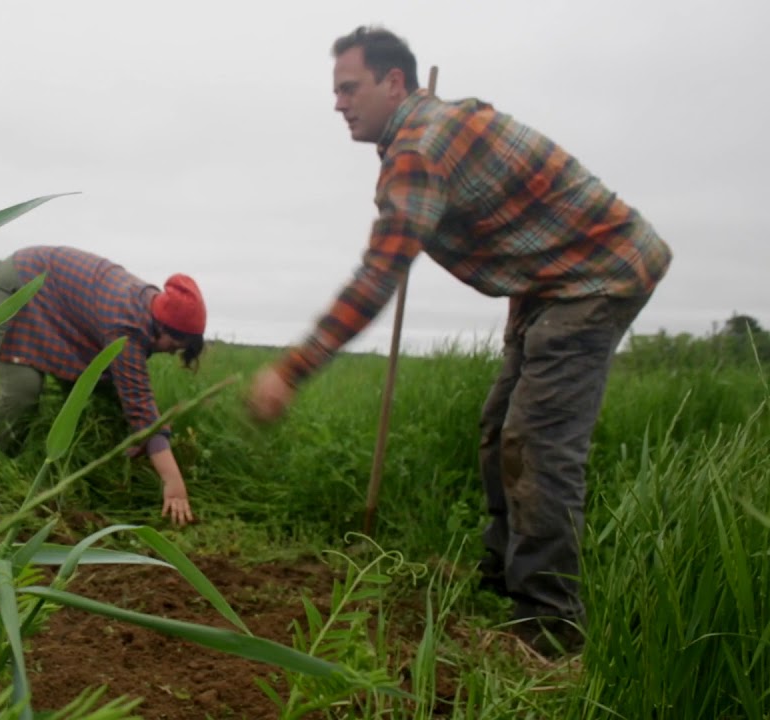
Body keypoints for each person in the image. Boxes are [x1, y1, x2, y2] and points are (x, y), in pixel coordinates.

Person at [246, 26, 672, 657]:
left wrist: (293, 369)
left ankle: (549, 635)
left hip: (598, 277)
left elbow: (379, 273)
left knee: (538, 446)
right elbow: (523, 225)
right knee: (499, 426)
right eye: (335, 90)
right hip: (554, 284)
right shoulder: (431, 129)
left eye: (349, 87)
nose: (338, 102)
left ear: (395, 82)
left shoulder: (419, 146)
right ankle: (501, 584)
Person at [0, 245, 206, 526]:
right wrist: (174, 485)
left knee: (103, 394)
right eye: (173, 345)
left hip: (56, 307)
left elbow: (128, 398)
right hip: (17, 288)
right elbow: (141, 407)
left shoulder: (148, 305)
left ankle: (101, 470)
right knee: (23, 390)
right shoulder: (127, 324)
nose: (171, 353)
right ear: (160, 326)